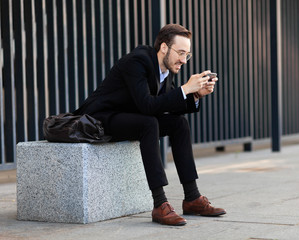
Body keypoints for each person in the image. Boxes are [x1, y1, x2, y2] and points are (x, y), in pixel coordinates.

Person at [73, 23, 226, 226]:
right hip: (100, 119)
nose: (183, 60)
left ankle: (192, 198)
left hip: (129, 117)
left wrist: (195, 94)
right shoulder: (137, 61)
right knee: (149, 123)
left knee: (179, 124)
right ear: (164, 47)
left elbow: (166, 105)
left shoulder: (167, 68)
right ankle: (160, 204)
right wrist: (185, 89)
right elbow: (147, 105)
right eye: (180, 53)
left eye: (187, 55)